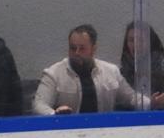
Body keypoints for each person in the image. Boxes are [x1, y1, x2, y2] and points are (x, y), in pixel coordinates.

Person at [32, 24, 164, 115]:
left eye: (82, 48)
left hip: (104, 134)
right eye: (72, 48)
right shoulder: (53, 73)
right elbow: (39, 105)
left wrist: (150, 103)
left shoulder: (111, 71)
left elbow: (131, 97)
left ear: (93, 49)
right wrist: (54, 115)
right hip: (64, 134)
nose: (76, 53)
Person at [119, 21, 164, 95]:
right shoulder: (122, 73)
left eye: (141, 40)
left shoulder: (161, 67)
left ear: (150, 43)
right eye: (131, 40)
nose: (136, 44)